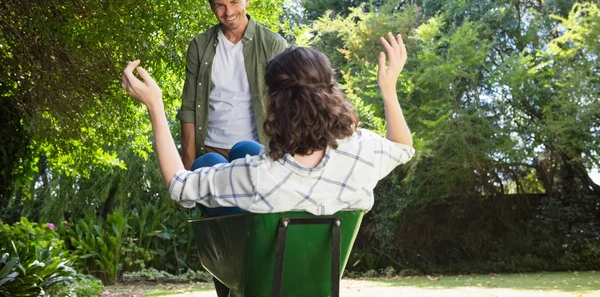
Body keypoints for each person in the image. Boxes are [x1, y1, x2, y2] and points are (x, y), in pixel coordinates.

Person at [122, 33, 414, 216]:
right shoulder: (363, 148)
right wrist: (389, 90)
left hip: (258, 269)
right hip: (322, 272)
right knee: (245, 148)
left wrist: (155, 106)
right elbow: (402, 148)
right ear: (330, 92)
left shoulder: (261, 176)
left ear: (276, 103)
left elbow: (178, 186)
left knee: (209, 160)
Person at [177, 0, 287, 170]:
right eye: (220, 5)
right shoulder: (199, 46)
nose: (228, 12)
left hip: (258, 151)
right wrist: (188, 166)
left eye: (234, 2)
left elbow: (288, 105)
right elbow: (189, 108)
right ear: (211, 6)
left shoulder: (273, 44)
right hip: (210, 151)